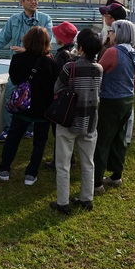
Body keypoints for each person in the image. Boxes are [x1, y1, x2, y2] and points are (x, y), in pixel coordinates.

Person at [0, 0, 53, 143]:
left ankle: (29, 130)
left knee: (35, 97)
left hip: (37, 68)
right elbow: (2, 38)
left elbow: (48, 44)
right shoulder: (14, 20)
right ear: (22, 2)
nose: (34, 2)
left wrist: (26, 50)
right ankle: (8, 130)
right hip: (19, 67)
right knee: (11, 95)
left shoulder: (45, 19)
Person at [0, 26, 58, 186]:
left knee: (13, 138)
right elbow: (55, 86)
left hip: (22, 106)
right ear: (46, 42)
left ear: (27, 40)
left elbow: (15, 80)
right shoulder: (51, 63)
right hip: (43, 109)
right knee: (39, 142)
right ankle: (31, 174)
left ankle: (4, 169)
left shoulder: (18, 59)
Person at [50, 28, 103, 215]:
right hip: (90, 121)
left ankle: (63, 201)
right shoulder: (99, 68)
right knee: (88, 162)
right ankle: (86, 198)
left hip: (68, 120)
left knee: (63, 163)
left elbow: (57, 87)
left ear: (79, 47)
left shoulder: (70, 67)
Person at [93, 20, 135, 196]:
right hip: (128, 100)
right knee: (119, 138)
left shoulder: (112, 52)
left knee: (102, 140)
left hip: (111, 101)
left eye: (111, 32)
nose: (109, 35)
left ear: (119, 33)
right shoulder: (134, 53)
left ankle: (97, 181)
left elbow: (96, 71)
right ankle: (116, 175)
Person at [99, 0, 135, 146]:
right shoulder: (108, 30)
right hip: (118, 73)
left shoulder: (127, 30)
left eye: (106, 15)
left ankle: (125, 138)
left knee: (125, 109)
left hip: (124, 72)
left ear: (112, 18)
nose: (104, 18)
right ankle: (119, 138)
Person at [43, 21, 78, 169]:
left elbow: (57, 76)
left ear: (61, 39)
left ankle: (60, 160)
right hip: (71, 96)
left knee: (58, 131)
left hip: (60, 97)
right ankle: (70, 158)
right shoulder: (74, 51)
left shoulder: (62, 55)